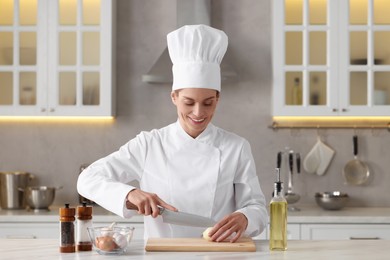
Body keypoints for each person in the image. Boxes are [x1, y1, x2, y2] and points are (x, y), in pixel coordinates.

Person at [77, 24, 267, 243]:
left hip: (218, 255)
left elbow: (257, 208)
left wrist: (245, 217)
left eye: (208, 103)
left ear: (218, 99)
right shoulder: (149, 144)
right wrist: (130, 194)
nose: (198, 112)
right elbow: (87, 179)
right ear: (174, 97)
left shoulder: (236, 147)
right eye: (189, 102)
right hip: (163, 256)